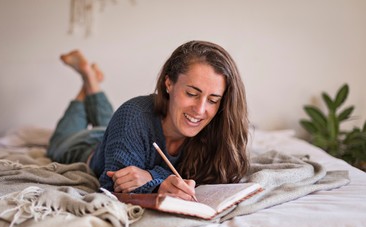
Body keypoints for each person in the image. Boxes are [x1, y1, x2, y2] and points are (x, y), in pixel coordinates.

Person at [47, 40, 249, 201]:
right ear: (168, 82)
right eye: (191, 93)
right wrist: (157, 181)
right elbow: (113, 187)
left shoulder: (217, 125)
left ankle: (90, 82)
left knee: (108, 122)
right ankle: (87, 82)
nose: (200, 110)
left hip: (120, 134)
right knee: (59, 143)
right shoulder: (132, 116)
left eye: (213, 100)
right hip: (86, 145)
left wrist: (150, 176)